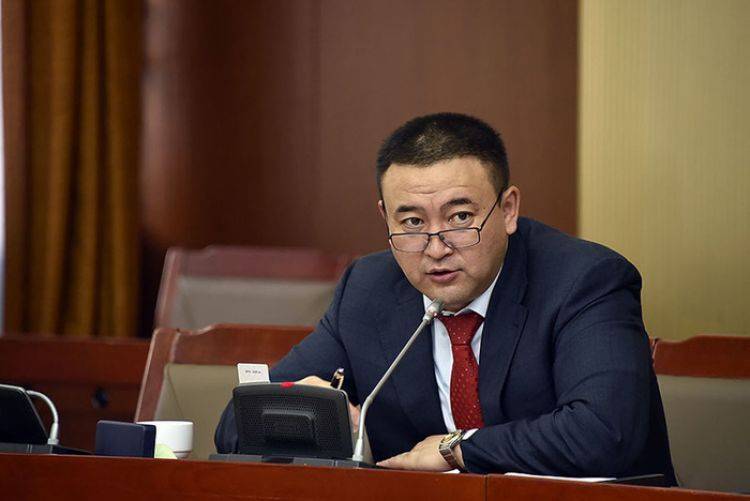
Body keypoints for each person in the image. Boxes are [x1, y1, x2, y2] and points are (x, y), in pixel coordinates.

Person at [215, 112, 675, 481]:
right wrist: (318, 424)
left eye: (460, 218)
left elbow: (604, 433)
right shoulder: (368, 290)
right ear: (385, 218)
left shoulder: (584, 281)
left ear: (508, 209)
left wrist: (455, 448)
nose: (436, 249)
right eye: (413, 223)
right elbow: (237, 425)